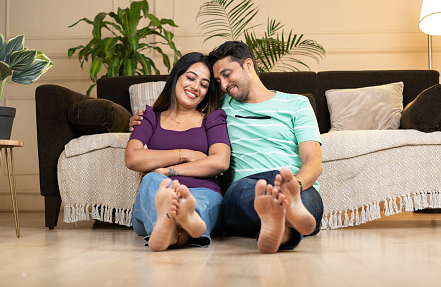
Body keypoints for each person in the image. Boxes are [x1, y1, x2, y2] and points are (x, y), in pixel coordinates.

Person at [130, 42, 323, 254]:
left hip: (294, 183)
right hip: (248, 185)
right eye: (218, 80)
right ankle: (280, 217)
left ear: (248, 65)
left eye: (227, 74)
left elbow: (313, 161)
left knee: (306, 201)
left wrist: (291, 187)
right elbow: (179, 114)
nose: (223, 85)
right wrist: (136, 122)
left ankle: (280, 227)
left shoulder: (298, 104)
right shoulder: (221, 108)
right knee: (244, 192)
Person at [125, 52, 231, 251]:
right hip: (156, 195)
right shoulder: (149, 116)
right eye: (190, 78)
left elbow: (220, 162)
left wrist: (167, 171)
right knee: (151, 181)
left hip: (203, 191)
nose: (195, 87)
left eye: (204, 84)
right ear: (176, 76)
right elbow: (132, 158)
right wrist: (185, 153)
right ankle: (180, 222)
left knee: (196, 203)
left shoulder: (213, 118)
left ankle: (172, 230)